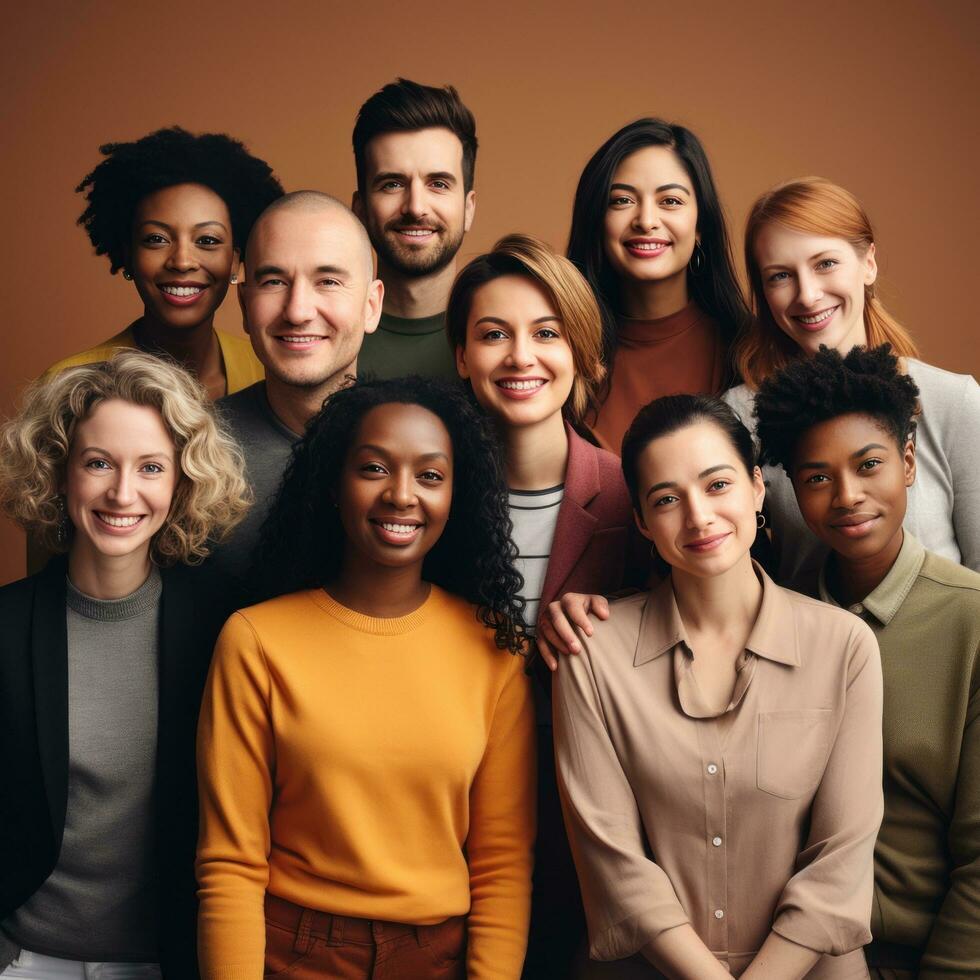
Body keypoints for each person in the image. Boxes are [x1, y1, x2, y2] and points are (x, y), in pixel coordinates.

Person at [196, 377, 535, 980]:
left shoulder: (495, 651)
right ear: (333, 484)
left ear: (458, 495)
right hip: (293, 953)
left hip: (440, 960)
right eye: (374, 469)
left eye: (430, 475)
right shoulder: (255, 640)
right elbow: (231, 862)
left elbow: (502, 865)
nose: (401, 495)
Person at [554, 394, 883, 978]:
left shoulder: (845, 646)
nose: (698, 517)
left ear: (758, 488)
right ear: (641, 520)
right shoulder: (592, 653)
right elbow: (615, 866)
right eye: (666, 499)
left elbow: (840, 862)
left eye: (717, 485)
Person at [0, 350, 250, 979]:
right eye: (98, 463)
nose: (122, 492)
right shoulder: (4, 626)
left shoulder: (225, 628)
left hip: (165, 962)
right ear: (59, 474)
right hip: (28, 959)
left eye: (151, 468)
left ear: (181, 482)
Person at [447, 234, 647, 977]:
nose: (519, 357)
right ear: (462, 357)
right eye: (493, 334)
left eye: (546, 333)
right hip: (450, 827)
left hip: (593, 835)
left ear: (584, 354)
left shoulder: (636, 499)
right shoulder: (428, 501)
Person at [754, 343, 980, 979]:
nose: (847, 495)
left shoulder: (971, 621)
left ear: (908, 463)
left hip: (929, 956)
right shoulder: (778, 619)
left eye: (869, 464)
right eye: (818, 478)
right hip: (788, 953)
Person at [724, 176, 980, 591]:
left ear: (868, 263)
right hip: (810, 651)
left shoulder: (955, 402)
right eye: (780, 276)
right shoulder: (740, 416)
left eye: (825, 263)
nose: (807, 295)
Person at [209, 191, 382, 591]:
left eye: (328, 281)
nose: (298, 310)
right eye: (274, 281)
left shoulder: (425, 445)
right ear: (244, 304)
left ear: (371, 306)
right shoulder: (189, 447)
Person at [45, 126, 284, 400]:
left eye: (207, 241)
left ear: (235, 260)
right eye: (156, 239)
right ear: (128, 255)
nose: (182, 261)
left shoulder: (267, 372)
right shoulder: (68, 387)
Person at [567, 119, 748, 453]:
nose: (646, 220)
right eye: (621, 200)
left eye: (671, 201)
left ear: (700, 226)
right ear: (596, 220)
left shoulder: (747, 350)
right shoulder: (559, 351)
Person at [352, 78, 477, 381]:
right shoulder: (327, 337)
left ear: (468, 208)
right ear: (361, 210)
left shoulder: (503, 340)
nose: (415, 206)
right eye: (392, 184)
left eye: (438, 184)